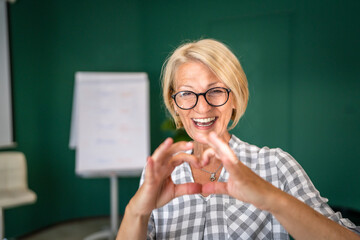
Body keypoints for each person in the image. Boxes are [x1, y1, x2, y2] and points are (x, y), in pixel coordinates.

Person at [117, 39, 360, 239]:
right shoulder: (160, 175)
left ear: (235, 98)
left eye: (215, 91)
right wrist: (136, 212)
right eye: (187, 94)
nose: (202, 107)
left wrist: (273, 199)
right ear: (175, 104)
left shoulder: (275, 165)